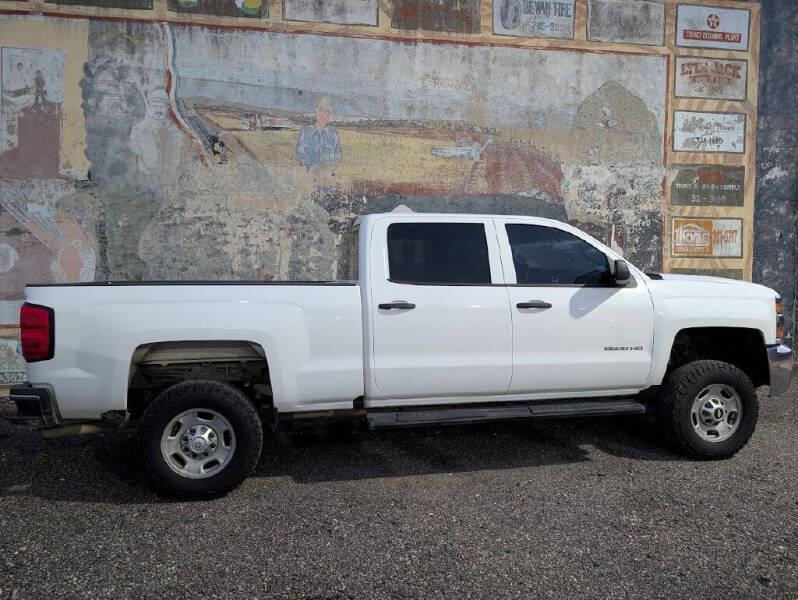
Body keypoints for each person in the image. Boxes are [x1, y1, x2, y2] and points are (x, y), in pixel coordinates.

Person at [128, 88, 182, 180]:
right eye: (154, 106)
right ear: (149, 107)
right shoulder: (138, 129)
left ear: (167, 108)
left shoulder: (174, 130)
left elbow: (177, 153)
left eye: (161, 107)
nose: (158, 110)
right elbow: (134, 150)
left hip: (169, 177)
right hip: (145, 176)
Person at [295, 97, 342, 170]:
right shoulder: (306, 131)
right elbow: (301, 154)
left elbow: (338, 155)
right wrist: (310, 168)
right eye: (321, 110)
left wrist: (330, 169)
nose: (324, 115)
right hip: (309, 174)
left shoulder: (333, 134)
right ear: (316, 112)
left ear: (330, 116)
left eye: (327, 112)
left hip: (327, 175)